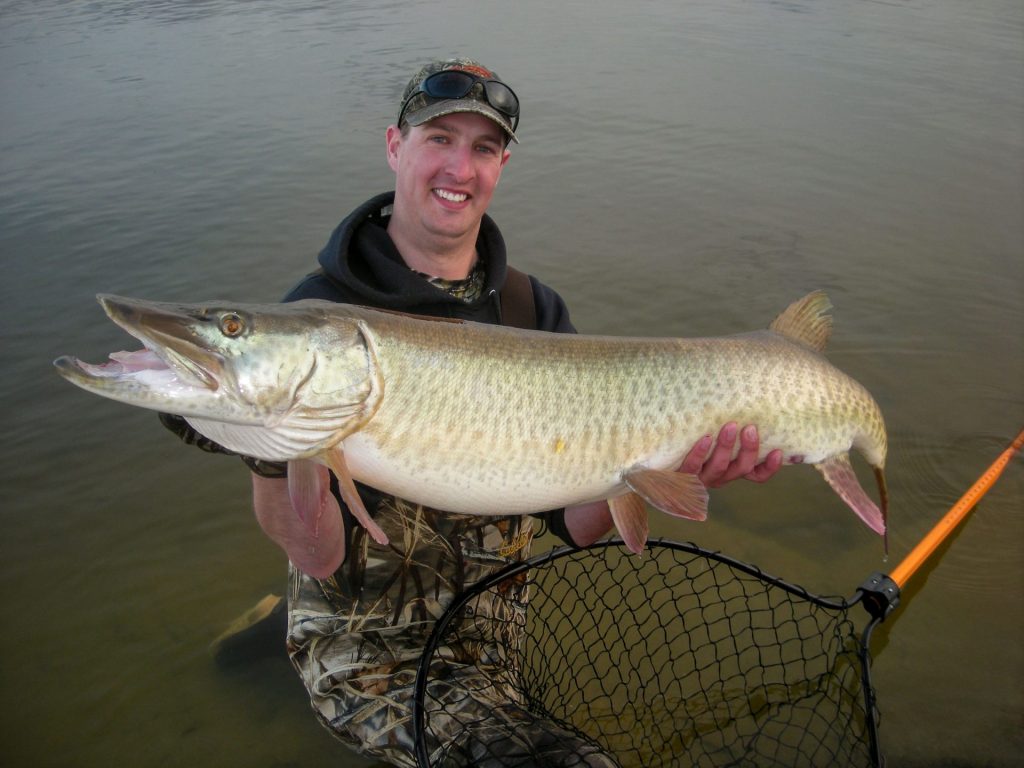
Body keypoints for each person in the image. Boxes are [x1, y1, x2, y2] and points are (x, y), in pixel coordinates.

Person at [175, 58, 782, 767]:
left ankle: (265, 628)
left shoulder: (531, 310)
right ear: (395, 146)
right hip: (370, 646)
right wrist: (268, 446)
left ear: (501, 166)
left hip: (492, 634)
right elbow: (318, 553)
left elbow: (576, 523)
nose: (459, 167)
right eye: (439, 138)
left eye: (483, 148)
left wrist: (666, 464)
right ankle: (296, 640)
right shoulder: (323, 321)